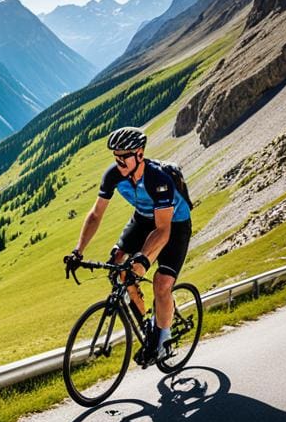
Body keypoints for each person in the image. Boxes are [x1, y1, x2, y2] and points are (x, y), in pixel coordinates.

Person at [64, 126, 192, 363]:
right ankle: (145, 321)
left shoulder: (158, 180)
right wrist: (77, 251)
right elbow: (95, 215)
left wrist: (144, 257)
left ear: (140, 154)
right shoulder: (114, 175)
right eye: (116, 156)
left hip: (173, 224)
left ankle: (163, 340)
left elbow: (163, 231)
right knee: (118, 267)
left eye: (124, 156)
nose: (119, 161)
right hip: (143, 218)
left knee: (161, 283)